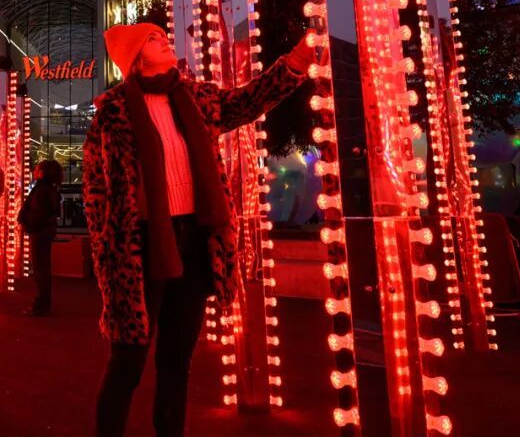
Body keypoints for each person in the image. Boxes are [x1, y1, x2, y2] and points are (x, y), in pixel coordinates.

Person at [83, 22, 313, 437]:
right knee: (128, 360)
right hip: (140, 247)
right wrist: (107, 251)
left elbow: (249, 101)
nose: (163, 40)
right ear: (135, 58)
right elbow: (96, 191)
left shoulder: (197, 97)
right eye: (152, 39)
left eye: (162, 35)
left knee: (176, 362)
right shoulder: (112, 113)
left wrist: (295, 63)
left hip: (194, 238)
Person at [20, 159, 63, 316]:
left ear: (43, 172)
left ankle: (40, 304)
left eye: (37, 169)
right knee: (43, 268)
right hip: (45, 231)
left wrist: (27, 224)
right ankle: (44, 303)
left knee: (40, 269)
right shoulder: (51, 188)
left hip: (39, 232)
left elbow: (39, 212)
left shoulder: (41, 189)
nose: (34, 171)